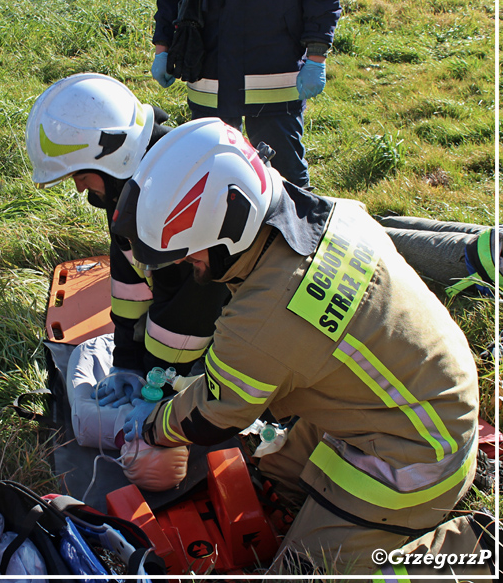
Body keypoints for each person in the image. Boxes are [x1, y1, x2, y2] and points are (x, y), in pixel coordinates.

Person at [112, 118, 491, 576]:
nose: (190, 266)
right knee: (268, 486)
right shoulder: (324, 212)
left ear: (228, 228)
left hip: (418, 449)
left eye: (192, 253)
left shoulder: (264, 317)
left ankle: (472, 551)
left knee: (300, 572)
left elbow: (216, 409)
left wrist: (152, 429)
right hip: (404, 393)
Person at [26, 73, 229, 409]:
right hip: (192, 323)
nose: (78, 188)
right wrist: (126, 360)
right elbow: (129, 279)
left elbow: (191, 308)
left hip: (249, 323)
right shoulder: (129, 182)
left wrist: (157, 383)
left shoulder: (179, 193)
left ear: (110, 158)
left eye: (80, 175)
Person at [150, 0, 342, 188]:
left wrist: (316, 54)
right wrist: (163, 46)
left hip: (273, 74)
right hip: (209, 75)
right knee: (210, 179)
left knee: (285, 180)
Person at [378, 215, 500, 299]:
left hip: (485, 249)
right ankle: (368, 218)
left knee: (383, 233)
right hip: (486, 243)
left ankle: (368, 218)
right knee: (389, 230)